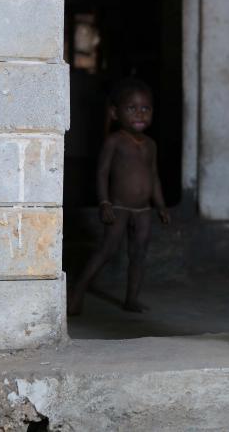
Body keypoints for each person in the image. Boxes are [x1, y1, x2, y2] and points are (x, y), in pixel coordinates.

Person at [68, 78, 170, 316]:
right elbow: (102, 173)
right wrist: (104, 202)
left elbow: (154, 177)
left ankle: (131, 299)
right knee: (107, 249)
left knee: (139, 253)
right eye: (132, 108)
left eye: (146, 108)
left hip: (143, 210)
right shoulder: (115, 141)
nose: (140, 114)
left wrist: (161, 205)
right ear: (115, 113)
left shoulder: (151, 145)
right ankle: (78, 290)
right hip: (120, 207)